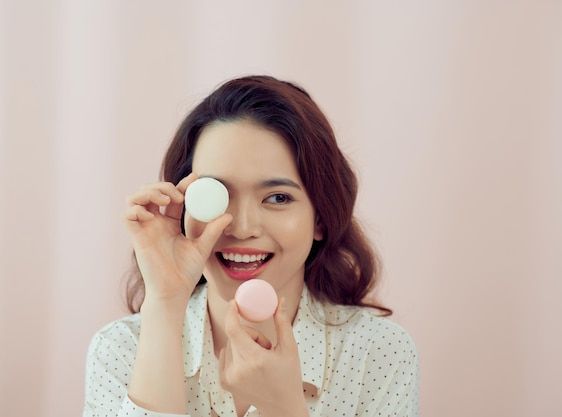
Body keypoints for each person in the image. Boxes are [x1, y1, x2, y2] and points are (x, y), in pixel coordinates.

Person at [84, 75, 419, 417]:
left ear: (320, 218)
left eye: (277, 197)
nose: (242, 228)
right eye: (217, 194)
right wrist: (166, 303)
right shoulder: (120, 348)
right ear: (183, 205)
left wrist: (283, 407)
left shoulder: (379, 352)